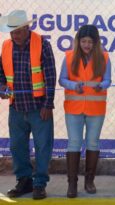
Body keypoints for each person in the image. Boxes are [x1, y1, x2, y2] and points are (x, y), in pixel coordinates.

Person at [0, 10, 56, 200]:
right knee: (17, 146)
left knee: (43, 147)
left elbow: (50, 75)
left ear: (27, 28)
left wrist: (48, 104)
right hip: (16, 107)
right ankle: (24, 181)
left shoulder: (42, 44)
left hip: (39, 107)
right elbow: (1, 74)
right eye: (12, 31)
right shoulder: (6, 46)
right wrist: (1, 88)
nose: (14, 35)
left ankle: (39, 184)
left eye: (18, 31)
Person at [58, 24, 111, 198]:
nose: (87, 45)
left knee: (93, 143)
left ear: (96, 42)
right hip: (74, 108)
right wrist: (74, 85)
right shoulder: (69, 57)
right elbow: (62, 79)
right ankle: (72, 184)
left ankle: (89, 181)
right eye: (83, 41)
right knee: (74, 143)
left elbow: (108, 80)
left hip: (96, 109)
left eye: (90, 41)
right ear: (78, 41)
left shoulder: (104, 57)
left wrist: (101, 85)